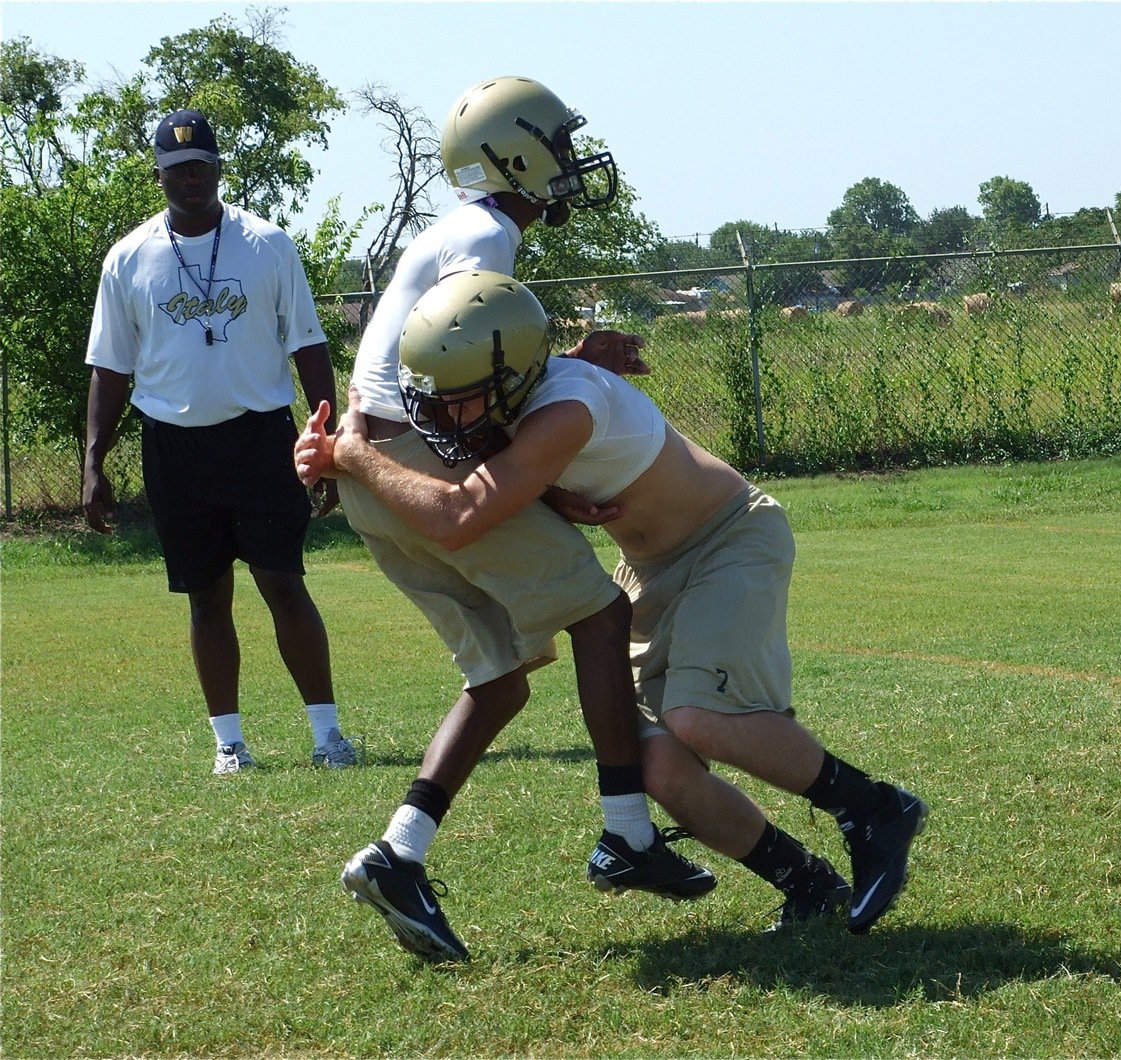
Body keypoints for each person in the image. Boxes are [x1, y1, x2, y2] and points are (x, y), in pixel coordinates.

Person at [297, 270, 930, 937]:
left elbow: (459, 517)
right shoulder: (519, 391)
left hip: (729, 538)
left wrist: (353, 456)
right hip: (648, 569)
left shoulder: (564, 408)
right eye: (436, 398)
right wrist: (325, 453)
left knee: (697, 717)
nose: (444, 418)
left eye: (463, 400)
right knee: (652, 761)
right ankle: (807, 883)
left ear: (511, 380)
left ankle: (877, 809)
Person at [311, 77, 714, 964]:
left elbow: (438, 365)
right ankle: (628, 834)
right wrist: (529, 479)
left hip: (372, 474)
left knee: (500, 679)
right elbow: (451, 377)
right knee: (601, 614)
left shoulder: (455, 231)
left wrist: (561, 369)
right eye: (558, 146)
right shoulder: (489, 233)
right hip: (415, 461)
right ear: (517, 156)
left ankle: (398, 855)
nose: (571, 161)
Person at [83, 109, 357, 775]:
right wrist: (92, 460)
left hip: (260, 439)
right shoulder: (129, 258)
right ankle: (229, 743)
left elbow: (309, 345)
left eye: (201, 165)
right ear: (159, 177)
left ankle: (328, 735)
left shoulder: (267, 244)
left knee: (283, 583)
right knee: (206, 597)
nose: (191, 178)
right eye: (177, 170)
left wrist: (328, 438)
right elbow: (110, 369)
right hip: (175, 448)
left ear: (218, 169)